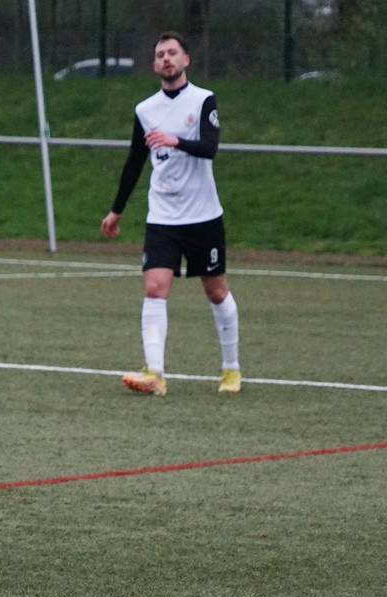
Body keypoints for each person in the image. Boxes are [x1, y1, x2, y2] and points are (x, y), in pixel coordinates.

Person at [101, 31, 241, 396]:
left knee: (216, 291)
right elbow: (135, 161)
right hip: (162, 216)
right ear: (154, 65)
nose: (166, 58)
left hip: (203, 215)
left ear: (185, 60)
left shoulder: (203, 99)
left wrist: (173, 140)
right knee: (154, 287)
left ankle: (231, 368)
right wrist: (116, 211)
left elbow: (210, 147)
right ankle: (156, 374)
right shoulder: (145, 110)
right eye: (160, 54)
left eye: (172, 53)